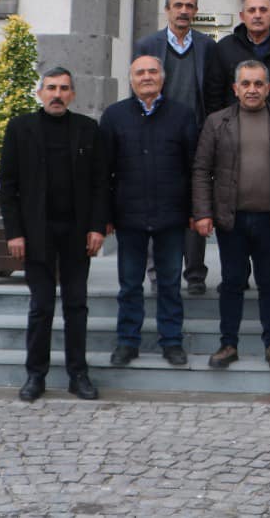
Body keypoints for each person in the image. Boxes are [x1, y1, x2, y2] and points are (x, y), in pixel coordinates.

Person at [0, 67, 107, 402]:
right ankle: (36, 376)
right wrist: (14, 233)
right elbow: (8, 186)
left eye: (63, 88)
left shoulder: (88, 129)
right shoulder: (20, 129)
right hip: (36, 233)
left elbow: (101, 183)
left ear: (73, 94)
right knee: (41, 307)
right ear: (40, 92)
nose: (57, 94)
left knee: (76, 305)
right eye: (51, 88)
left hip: (77, 232)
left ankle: (78, 375)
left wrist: (96, 227)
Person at [191, 59, 270, 370]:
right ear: (235, 88)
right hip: (232, 219)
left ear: (268, 88)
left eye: (258, 84)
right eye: (246, 84)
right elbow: (201, 170)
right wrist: (203, 212)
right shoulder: (217, 122)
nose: (251, 89)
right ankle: (228, 344)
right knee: (232, 282)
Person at [102, 56, 198, 369]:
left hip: (171, 214)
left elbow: (194, 167)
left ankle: (171, 342)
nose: (147, 77)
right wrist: (103, 214)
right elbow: (104, 171)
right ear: (131, 79)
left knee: (169, 283)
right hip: (129, 214)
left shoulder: (182, 115)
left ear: (163, 77)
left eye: (152, 71)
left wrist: (195, 210)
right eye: (140, 72)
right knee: (130, 284)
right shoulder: (114, 116)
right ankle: (127, 342)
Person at [136, 0, 214, 295]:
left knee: (196, 205)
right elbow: (139, 89)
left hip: (196, 138)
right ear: (167, 10)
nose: (184, 11)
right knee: (159, 206)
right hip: (159, 138)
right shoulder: (148, 44)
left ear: (196, 11)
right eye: (178, 5)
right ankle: (158, 274)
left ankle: (195, 275)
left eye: (189, 6)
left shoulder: (208, 46)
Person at [203, 0, 270, 118]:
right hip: (233, 128)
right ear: (242, 16)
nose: (257, 15)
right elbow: (214, 94)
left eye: (263, 10)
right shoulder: (224, 47)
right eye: (251, 10)